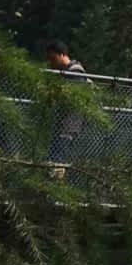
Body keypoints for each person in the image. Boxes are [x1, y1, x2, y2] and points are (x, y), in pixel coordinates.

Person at [45, 40, 87, 171]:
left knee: (58, 159)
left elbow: (73, 98)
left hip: (69, 124)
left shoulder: (75, 73)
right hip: (62, 122)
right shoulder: (64, 72)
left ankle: (56, 183)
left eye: (53, 58)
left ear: (62, 54)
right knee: (54, 156)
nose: (51, 62)